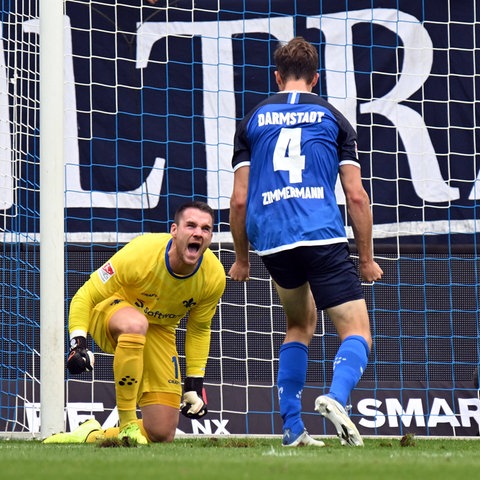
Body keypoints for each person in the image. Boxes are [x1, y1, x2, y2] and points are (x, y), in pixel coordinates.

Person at [228, 37, 383, 447]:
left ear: (277, 77)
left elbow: (239, 199)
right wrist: (365, 258)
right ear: (316, 78)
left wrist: (242, 259)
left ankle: (293, 427)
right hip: (320, 234)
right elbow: (356, 195)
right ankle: (335, 397)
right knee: (357, 331)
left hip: (273, 239)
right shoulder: (332, 117)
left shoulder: (252, 119)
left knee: (299, 324)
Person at [44, 201, 226, 445]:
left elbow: (199, 329)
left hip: (159, 329)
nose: (198, 233)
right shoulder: (142, 253)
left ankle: (91, 434)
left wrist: (194, 383)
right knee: (135, 323)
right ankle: (128, 423)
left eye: (205, 229)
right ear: (174, 230)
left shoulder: (213, 276)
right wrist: (78, 344)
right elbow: (85, 295)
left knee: (161, 432)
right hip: (112, 309)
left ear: (211, 236)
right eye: (190, 225)